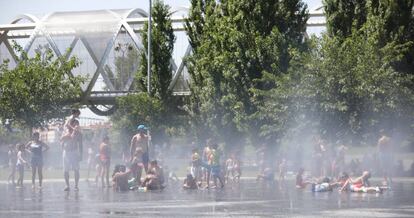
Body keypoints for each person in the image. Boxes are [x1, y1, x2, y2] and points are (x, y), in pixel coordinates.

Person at [61, 119, 83, 191]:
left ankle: (76, 185)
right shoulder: (66, 131)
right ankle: (67, 185)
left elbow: (80, 145)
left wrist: (81, 155)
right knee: (65, 170)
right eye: (74, 124)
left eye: (77, 124)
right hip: (66, 152)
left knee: (76, 169)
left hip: (74, 152)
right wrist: (63, 149)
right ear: (71, 125)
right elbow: (61, 140)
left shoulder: (79, 134)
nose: (76, 126)